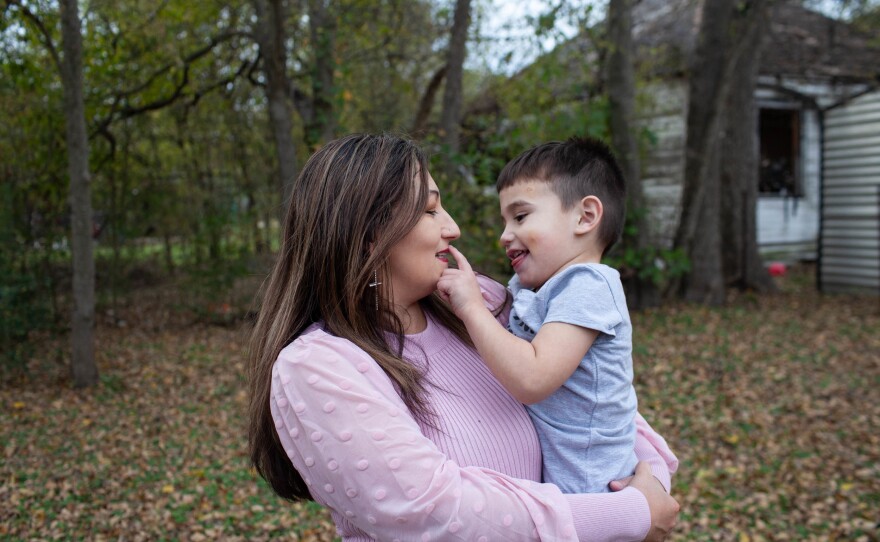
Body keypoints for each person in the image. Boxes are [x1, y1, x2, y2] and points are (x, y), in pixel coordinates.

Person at [247, 133, 679, 541]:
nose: (452, 228)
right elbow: (434, 513)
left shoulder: (484, 304)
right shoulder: (317, 366)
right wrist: (629, 514)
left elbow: (598, 403)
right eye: (430, 210)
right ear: (366, 233)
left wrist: (651, 484)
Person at [438, 136, 645, 495]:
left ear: (585, 217)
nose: (505, 235)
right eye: (505, 221)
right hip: (561, 485)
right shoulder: (533, 287)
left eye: (520, 216)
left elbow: (533, 378)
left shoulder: (589, 285)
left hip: (591, 487)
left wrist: (471, 306)